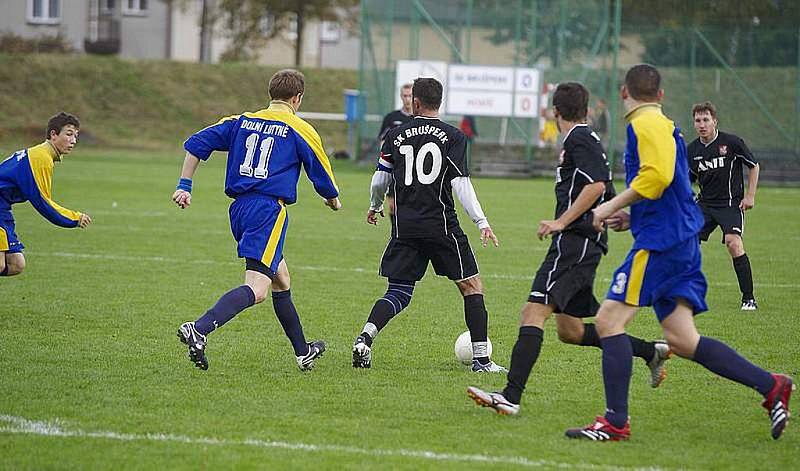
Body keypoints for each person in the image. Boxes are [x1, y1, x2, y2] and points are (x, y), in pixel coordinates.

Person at [566, 64, 793, 442]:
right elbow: (669, 184)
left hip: (661, 244)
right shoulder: (667, 125)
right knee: (684, 341)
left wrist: (605, 209)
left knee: (607, 323)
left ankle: (614, 422)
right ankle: (771, 385)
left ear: (625, 93)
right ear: (661, 95)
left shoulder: (643, 124)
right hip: (680, 239)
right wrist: (633, 215)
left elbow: (655, 177)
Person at [466, 83, 670, 416]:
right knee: (571, 331)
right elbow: (603, 182)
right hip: (582, 243)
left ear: (555, 111)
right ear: (586, 109)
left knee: (532, 312)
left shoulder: (579, 138)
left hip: (574, 243)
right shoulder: (584, 139)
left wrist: (563, 221)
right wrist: (613, 212)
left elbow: (597, 184)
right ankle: (650, 351)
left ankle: (510, 396)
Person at [173, 69, 342, 372]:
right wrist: (332, 199)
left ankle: (303, 353)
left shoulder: (241, 121)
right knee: (258, 288)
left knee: (282, 280)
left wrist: (184, 185)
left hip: (239, 210)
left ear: (271, 94)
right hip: (267, 211)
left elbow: (195, 143)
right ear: (297, 98)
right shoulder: (299, 128)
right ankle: (199, 328)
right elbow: (321, 171)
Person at [351, 77, 505, 373]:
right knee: (471, 286)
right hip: (440, 225)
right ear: (439, 102)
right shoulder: (453, 136)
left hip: (405, 226)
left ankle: (365, 338)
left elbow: (380, 179)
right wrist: (481, 221)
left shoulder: (395, 135)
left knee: (398, 291)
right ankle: (482, 360)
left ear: (416, 102)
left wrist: (375, 205)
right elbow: (461, 184)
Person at [687, 101, 760, 310]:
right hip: (705, 205)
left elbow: (754, 166)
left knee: (733, 243)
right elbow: (687, 179)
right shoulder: (691, 150)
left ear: (714, 121)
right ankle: (688, 294)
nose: (702, 124)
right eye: (698, 120)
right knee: (687, 242)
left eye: (706, 120)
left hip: (730, 204)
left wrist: (750, 196)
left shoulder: (732, 142)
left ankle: (749, 298)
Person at [0, 112, 92, 277]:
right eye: (69, 134)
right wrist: (75, 218)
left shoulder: (40, 154)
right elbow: (43, 203)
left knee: (15, 264)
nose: (73, 141)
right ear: (53, 134)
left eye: (76, 136)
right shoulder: (40, 158)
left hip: (2, 209)